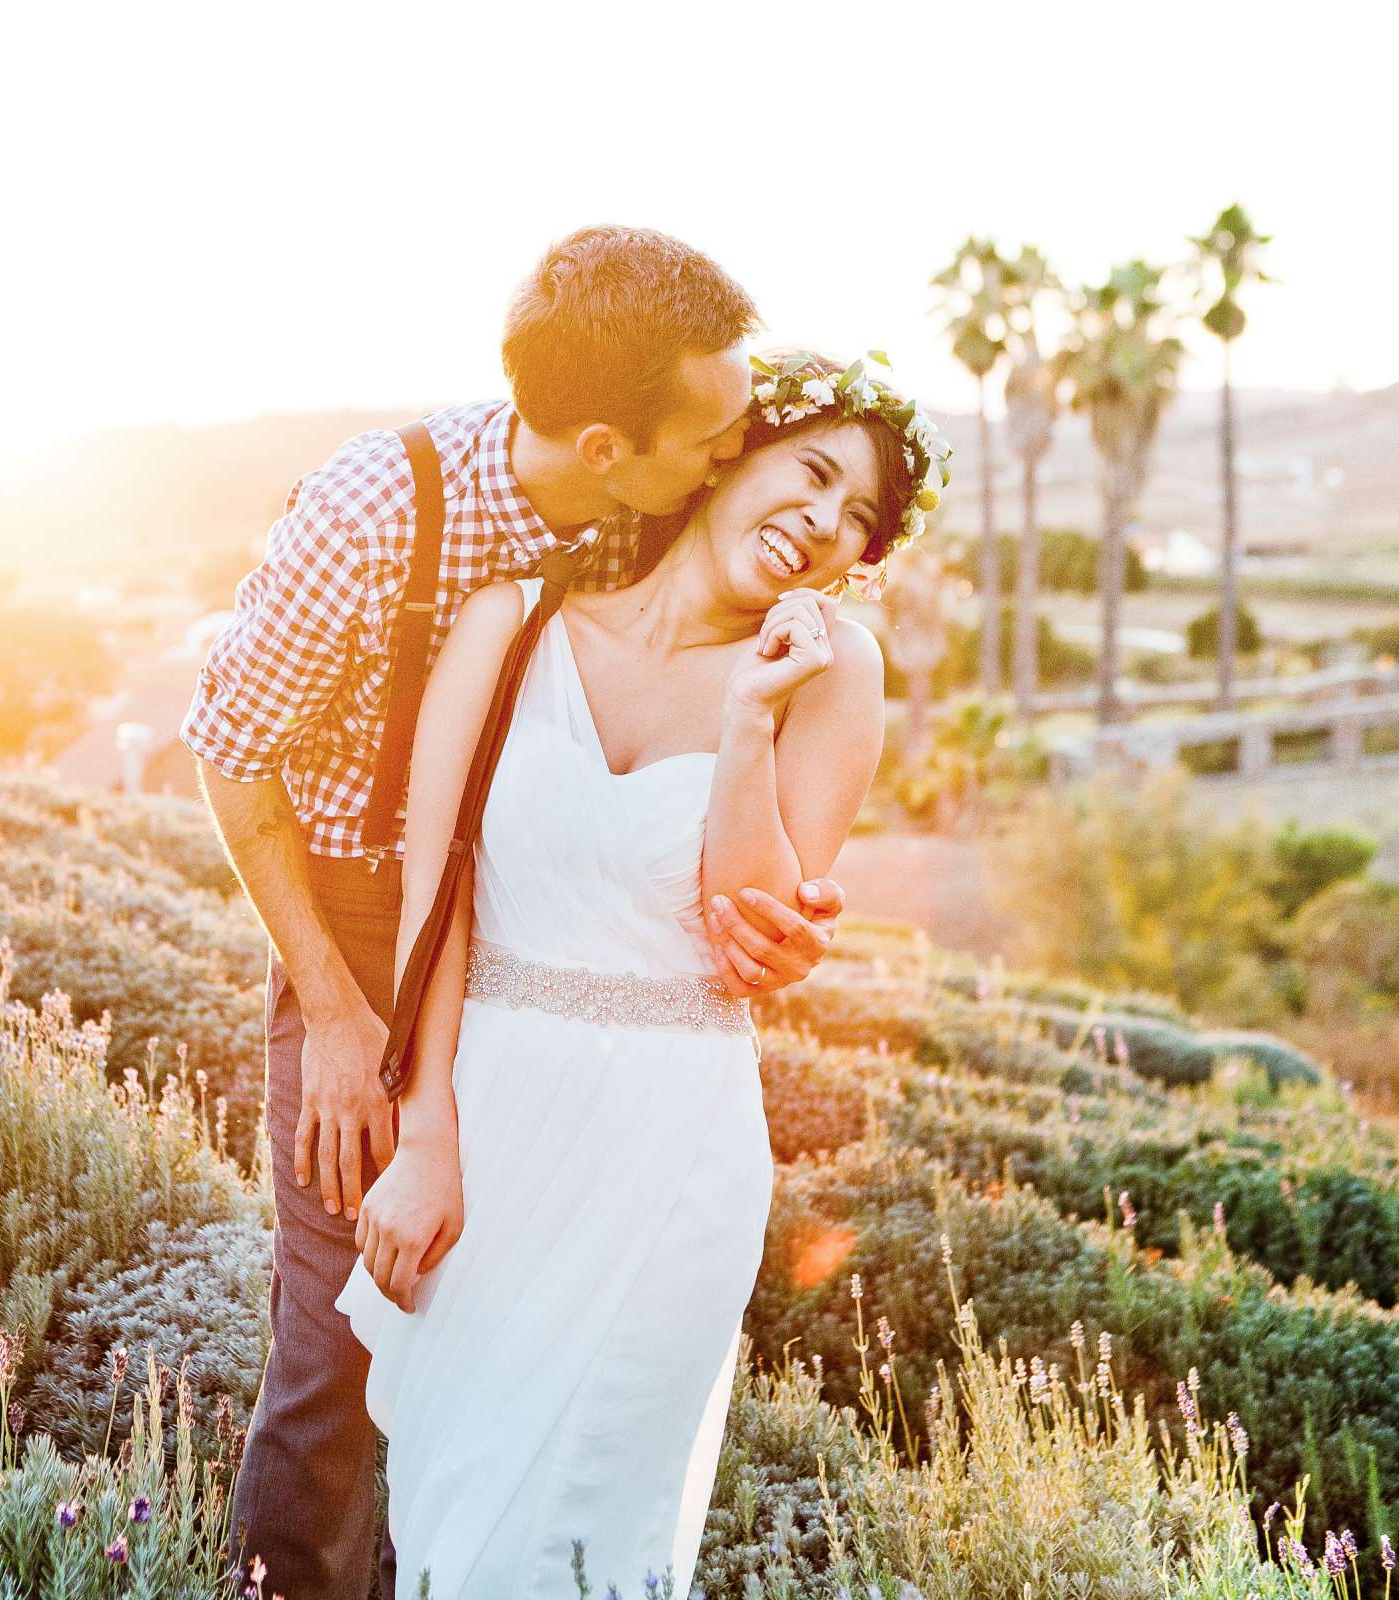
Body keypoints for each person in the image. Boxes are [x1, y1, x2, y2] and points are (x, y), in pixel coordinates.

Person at [181, 227, 853, 1600]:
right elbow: (230, 749)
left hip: (567, 959)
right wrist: (332, 1004)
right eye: (715, 434)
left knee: (536, 1414)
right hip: (367, 932)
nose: (733, 454)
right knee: (340, 1359)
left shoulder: (674, 509)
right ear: (610, 448)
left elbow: (792, 568)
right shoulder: (378, 509)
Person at [337, 351, 947, 1597]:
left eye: (857, 521)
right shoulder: (511, 623)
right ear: (735, 452)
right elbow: (434, 897)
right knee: (456, 1518)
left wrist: (747, 722)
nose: (824, 524)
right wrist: (426, 1132)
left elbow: (747, 930)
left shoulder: (834, 673)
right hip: (491, 1125)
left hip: (674, 1157)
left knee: (573, 1543)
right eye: (814, 473)